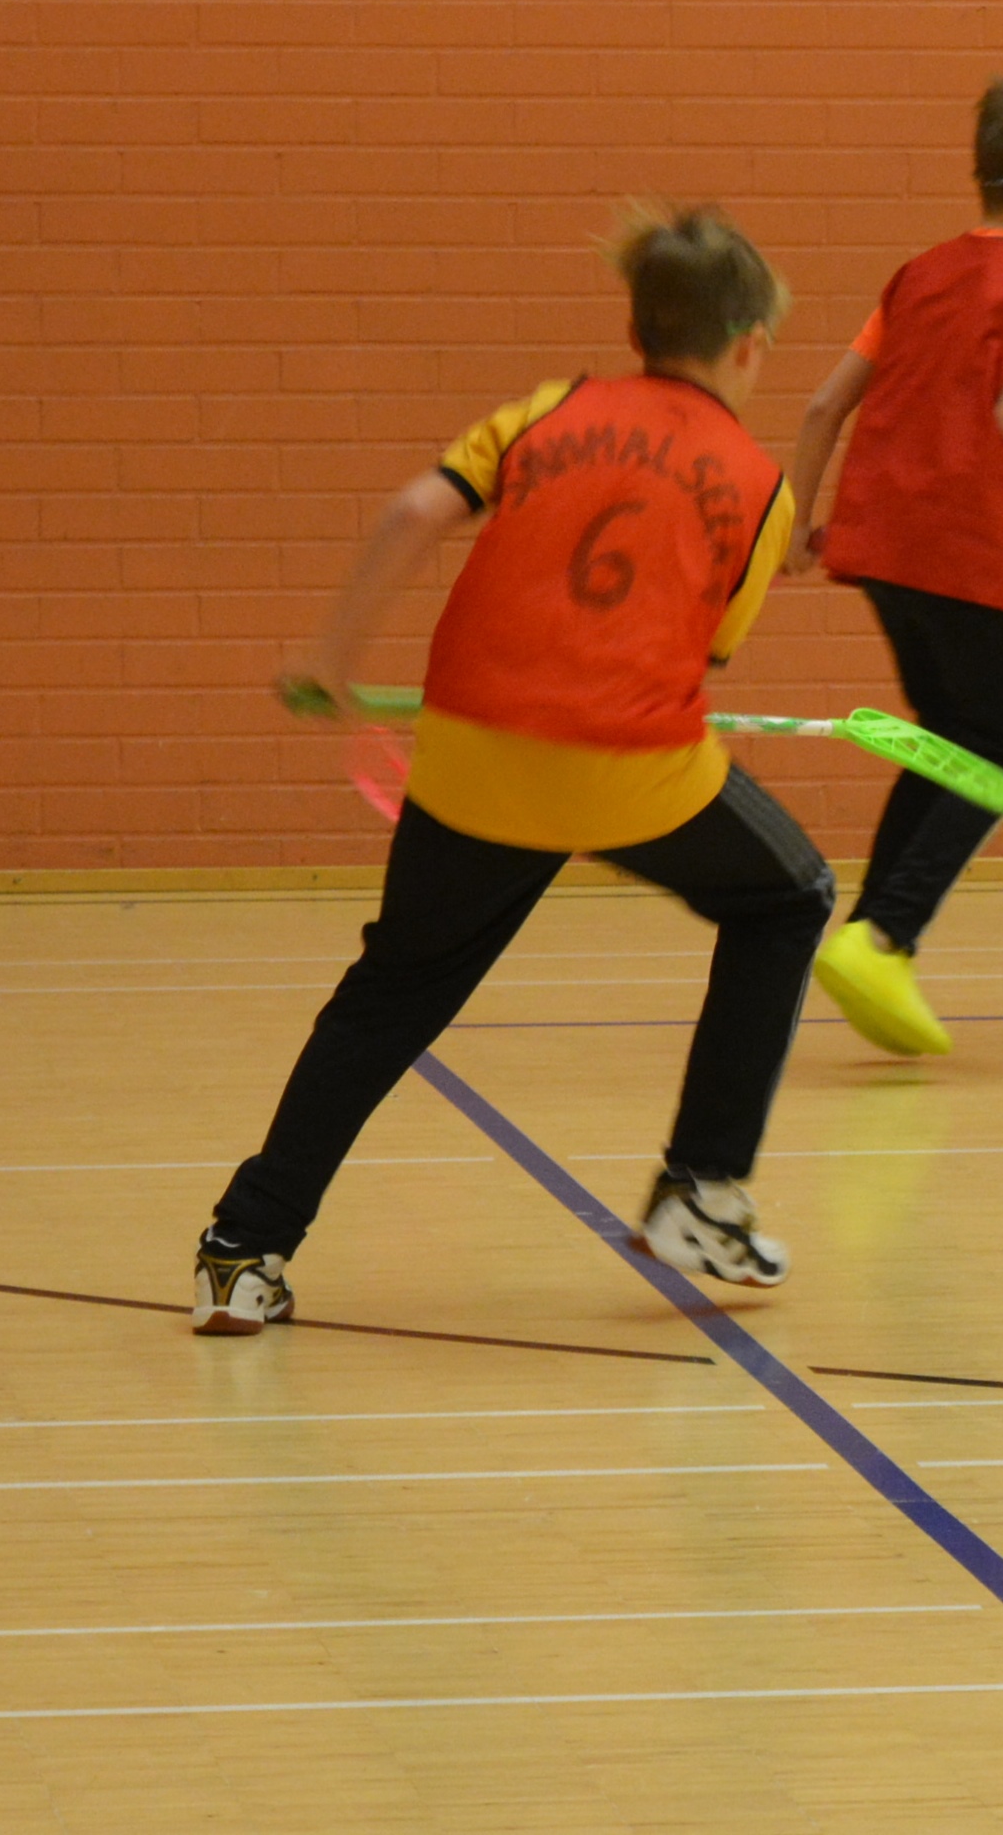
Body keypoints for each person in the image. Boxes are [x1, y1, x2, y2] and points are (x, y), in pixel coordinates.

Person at [195, 208, 833, 1335]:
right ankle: (701, 1189)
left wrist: (333, 657)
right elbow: (705, 651)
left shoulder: (547, 410)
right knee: (788, 897)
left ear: (638, 329)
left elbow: (413, 510)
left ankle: (243, 1248)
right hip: (634, 771)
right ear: (749, 346)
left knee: (394, 990)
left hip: (473, 755)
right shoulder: (762, 488)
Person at [787, 72, 1003, 1056]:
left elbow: (823, 405)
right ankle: (886, 935)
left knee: (950, 740)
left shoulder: (917, 275)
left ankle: (871, 940)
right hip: (966, 551)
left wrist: (797, 522)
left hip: (879, 545)